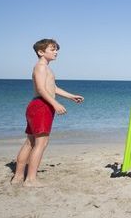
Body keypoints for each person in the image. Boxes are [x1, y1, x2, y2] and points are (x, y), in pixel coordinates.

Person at [11, 39, 84, 187]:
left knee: (30, 142)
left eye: (56, 49)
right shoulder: (41, 67)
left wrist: (71, 96)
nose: (56, 52)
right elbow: (41, 89)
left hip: (38, 105)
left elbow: (53, 88)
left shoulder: (46, 68)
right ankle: (30, 179)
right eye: (52, 49)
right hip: (41, 106)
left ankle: (18, 177)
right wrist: (55, 103)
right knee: (41, 143)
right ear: (41, 52)